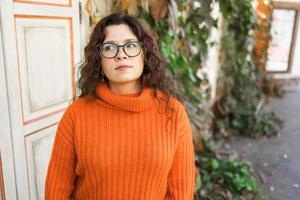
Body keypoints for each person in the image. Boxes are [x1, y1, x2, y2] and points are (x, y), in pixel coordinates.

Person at [45, 13, 195, 200]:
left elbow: (180, 192)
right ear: (99, 59)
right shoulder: (77, 114)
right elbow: (56, 190)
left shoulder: (173, 113)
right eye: (109, 48)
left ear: (144, 53)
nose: (121, 54)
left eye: (130, 45)